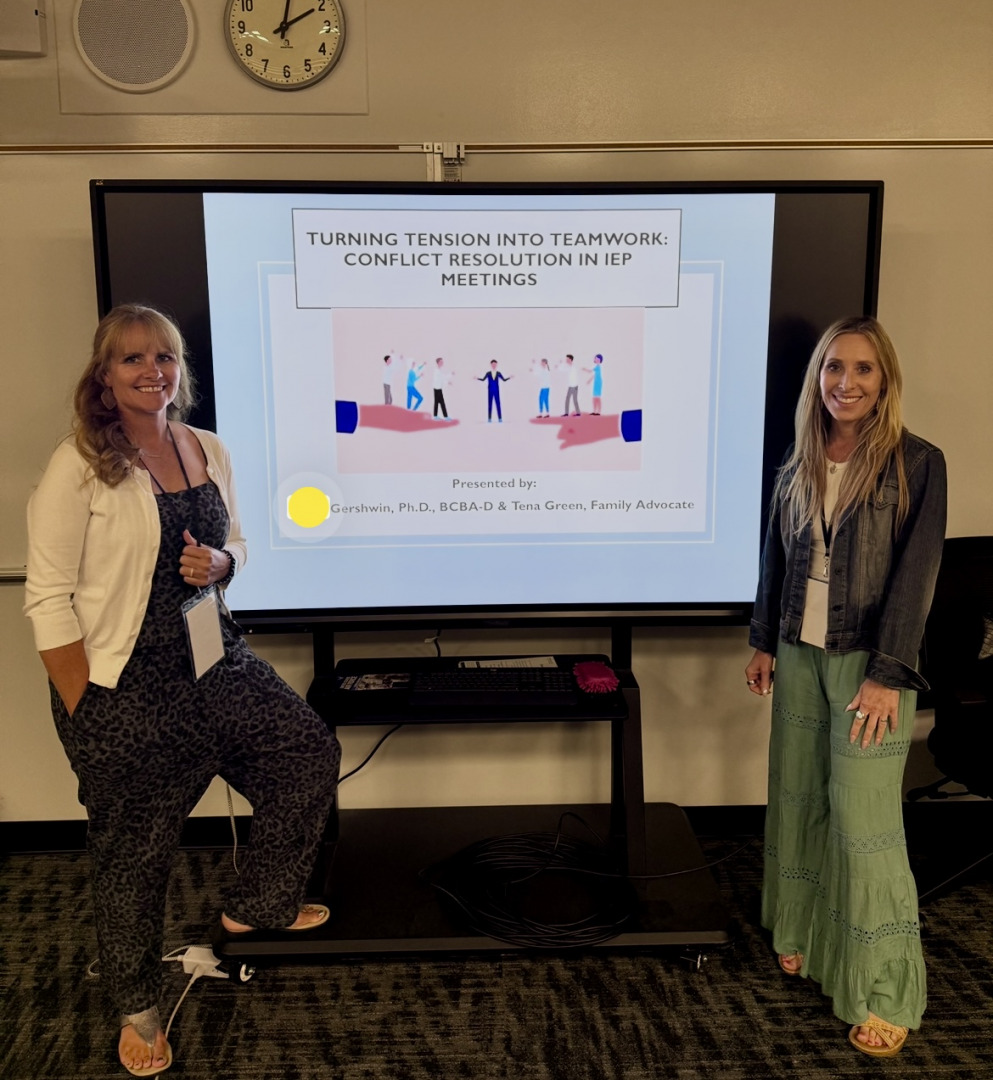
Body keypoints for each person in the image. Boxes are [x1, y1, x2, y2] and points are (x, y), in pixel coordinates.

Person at [24, 305, 341, 1077]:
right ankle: (137, 1007)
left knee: (306, 753)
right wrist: (86, 707)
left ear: (179, 369)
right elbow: (47, 596)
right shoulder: (80, 463)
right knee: (135, 854)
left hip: (211, 654)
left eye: (163, 356)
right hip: (124, 681)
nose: (151, 370)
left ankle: (256, 907)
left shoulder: (207, 447)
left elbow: (236, 545)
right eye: (132, 359)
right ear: (105, 375)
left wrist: (222, 566)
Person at [745, 316, 946, 1058]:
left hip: (870, 667)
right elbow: (776, 555)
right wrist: (762, 638)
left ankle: (886, 989)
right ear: (817, 377)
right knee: (798, 798)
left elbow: (916, 578)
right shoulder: (800, 455)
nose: (846, 382)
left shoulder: (916, 462)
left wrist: (888, 675)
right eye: (834, 367)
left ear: (884, 379)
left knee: (865, 825)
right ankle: (803, 932)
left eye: (863, 369)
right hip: (797, 655)